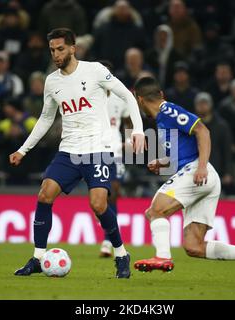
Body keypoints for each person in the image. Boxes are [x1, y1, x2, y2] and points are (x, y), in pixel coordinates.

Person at [10, 28, 145, 278]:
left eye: (60, 49)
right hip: (69, 150)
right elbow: (45, 118)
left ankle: (121, 254)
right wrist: (23, 149)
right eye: (52, 50)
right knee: (44, 194)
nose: (56, 54)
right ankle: (38, 257)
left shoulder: (94, 70)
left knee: (98, 204)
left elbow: (128, 95)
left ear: (73, 48)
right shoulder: (51, 81)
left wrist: (138, 131)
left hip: (99, 149)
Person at [132, 76, 235, 286]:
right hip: (203, 176)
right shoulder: (162, 120)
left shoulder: (167, 109)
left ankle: (162, 256)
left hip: (198, 172)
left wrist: (202, 166)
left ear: (139, 99)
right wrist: (163, 161)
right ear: (160, 93)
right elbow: (183, 149)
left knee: (155, 211)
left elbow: (202, 131)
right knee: (193, 246)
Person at [99, 60, 131, 258]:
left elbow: (127, 120)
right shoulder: (89, 95)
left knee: (114, 192)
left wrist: (129, 139)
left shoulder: (120, 96)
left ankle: (107, 241)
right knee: (99, 197)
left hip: (116, 150)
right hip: (93, 149)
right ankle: (106, 227)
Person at [194, 92, 234, 194]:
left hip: (216, 169)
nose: (202, 106)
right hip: (193, 168)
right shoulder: (190, 125)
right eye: (200, 104)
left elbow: (227, 151)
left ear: (211, 105)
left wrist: (228, 172)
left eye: (205, 103)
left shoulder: (221, 125)